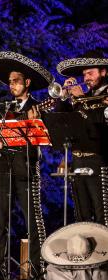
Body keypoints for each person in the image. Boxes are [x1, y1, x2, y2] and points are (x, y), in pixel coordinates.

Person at [0, 51, 53, 279]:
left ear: (27, 83)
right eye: (10, 81)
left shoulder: (38, 106)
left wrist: (37, 120)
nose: (11, 85)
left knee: (33, 220)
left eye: (16, 81)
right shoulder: (4, 107)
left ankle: (36, 270)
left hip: (26, 167)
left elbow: (46, 136)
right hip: (4, 167)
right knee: (0, 219)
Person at [56, 50, 108, 225]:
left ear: (103, 72)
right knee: (81, 215)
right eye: (84, 74)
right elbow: (62, 120)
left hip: (99, 161)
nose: (86, 78)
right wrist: (63, 97)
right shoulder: (85, 97)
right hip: (77, 160)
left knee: (103, 215)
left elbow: (97, 121)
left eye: (90, 72)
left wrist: (81, 99)